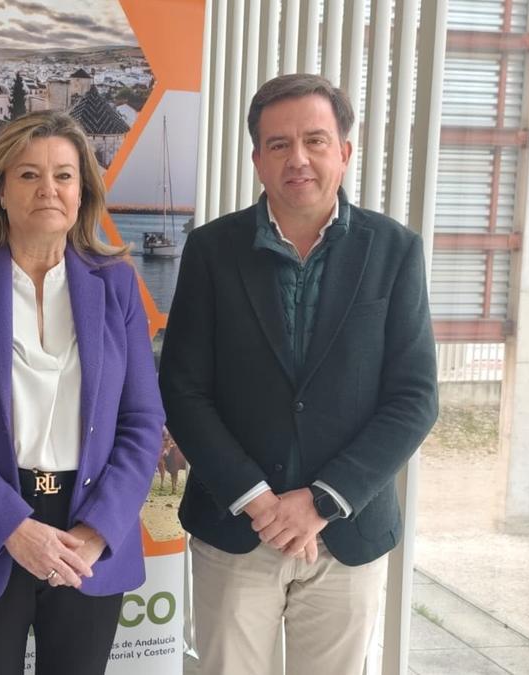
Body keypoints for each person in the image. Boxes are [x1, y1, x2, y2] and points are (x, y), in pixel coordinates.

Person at [159, 73, 438, 674]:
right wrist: (259, 501)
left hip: (347, 529)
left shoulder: (394, 251)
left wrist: (321, 501)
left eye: (315, 139)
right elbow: (182, 388)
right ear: (257, 158)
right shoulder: (211, 250)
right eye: (278, 144)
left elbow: (413, 398)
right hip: (236, 527)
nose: (299, 158)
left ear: (345, 150)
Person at [0, 111, 165, 675]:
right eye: (28, 175)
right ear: (1, 190)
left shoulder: (117, 283)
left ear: (83, 192)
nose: (48, 188)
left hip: (88, 533)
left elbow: (143, 421)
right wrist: (11, 527)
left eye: (64, 175)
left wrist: (98, 532)